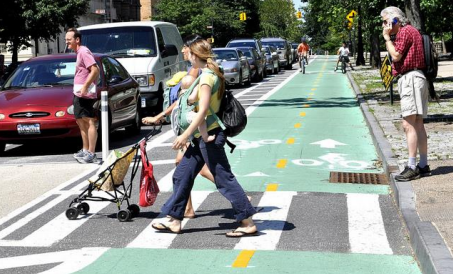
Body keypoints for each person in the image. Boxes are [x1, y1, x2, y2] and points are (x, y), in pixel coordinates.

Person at [151, 38, 257, 237]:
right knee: (182, 175)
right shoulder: (205, 75)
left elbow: (204, 109)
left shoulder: (207, 77)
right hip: (201, 137)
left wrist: (185, 134)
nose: (187, 56)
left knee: (224, 179)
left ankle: (247, 221)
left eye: (189, 53)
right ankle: (174, 220)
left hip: (209, 137)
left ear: (195, 55)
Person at [142, 34, 215, 219]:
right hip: (193, 126)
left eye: (184, 47)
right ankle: (187, 209)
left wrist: (159, 117)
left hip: (194, 126)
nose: (182, 50)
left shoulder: (195, 72)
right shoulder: (194, 69)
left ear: (191, 49)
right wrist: (159, 116)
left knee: (193, 166)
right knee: (186, 165)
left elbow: (186, 103)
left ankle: (235, 195)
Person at [381, 6, 430, 181]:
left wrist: (387, 39)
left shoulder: (403, 32)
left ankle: (411, 166)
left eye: (386, 21)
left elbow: (396, 56)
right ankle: (423, 164)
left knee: (408, 124)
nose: (384, 25)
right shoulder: (412, 30)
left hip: (410, 79)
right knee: (418, 124)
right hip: (418, 77)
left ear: (395, 20)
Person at [66, 28, 100, 164]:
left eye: (69, 39)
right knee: (80, 121)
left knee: (89, 121)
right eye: (66, 39)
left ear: (77, 40)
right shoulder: (79, 52)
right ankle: (85, 150)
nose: (67, 42)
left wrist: (85, 86)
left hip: (85, 93)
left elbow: (95, 69)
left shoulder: (84, 51)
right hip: (79, 92)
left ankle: (91, 153)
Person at [184, 75, 216, 143]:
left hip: (184, 115)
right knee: (200, 119)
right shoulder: (186, 93)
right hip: (187, 114)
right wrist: (197, 88)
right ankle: (205, 137)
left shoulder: (181, 92)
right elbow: (192, 99)